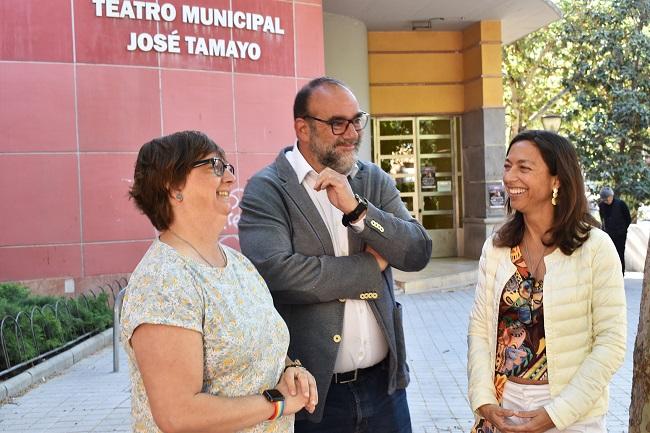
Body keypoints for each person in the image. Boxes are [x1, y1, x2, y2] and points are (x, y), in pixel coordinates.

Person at [238, 77, 432, 433]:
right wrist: (371, 264)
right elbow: (275, 273)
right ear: (303, 128)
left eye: (357, 120)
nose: (352, 133)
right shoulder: (267, 189)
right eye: (337, 123)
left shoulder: (372, 179)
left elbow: (417, 250)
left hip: (385, 389)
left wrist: (360, 212)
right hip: (313, 398)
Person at [121, 130, 318, 433]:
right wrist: (277, 402)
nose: (229, 179)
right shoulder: (163, 281)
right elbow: (178, 414)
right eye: (214, 166)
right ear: (173, 186)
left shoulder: (236, 263)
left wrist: (291, 368)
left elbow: (257, 342)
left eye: (228, 168)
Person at [467, 130, 627, 433]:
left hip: (572, 415)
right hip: (504, 409)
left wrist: (557, 413)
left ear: (557, 180)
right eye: (507, 165)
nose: (510, 176)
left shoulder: (595, 247)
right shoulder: (497, 248)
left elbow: (610, 343)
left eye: (524, 168)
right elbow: (479, 330)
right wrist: (484, 401)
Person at [598, 186, 632, 273]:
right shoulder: (601, 206)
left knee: (620, 254)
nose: (606, 201)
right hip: (608, 235)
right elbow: (603, 219)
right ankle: (610, 274)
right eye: (604, 199)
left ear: (612, 196)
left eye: (608, 198)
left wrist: (623, 230)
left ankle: (621, 274)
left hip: (620, 235)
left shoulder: (621, 204)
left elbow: (628, 219)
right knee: (608, 255)